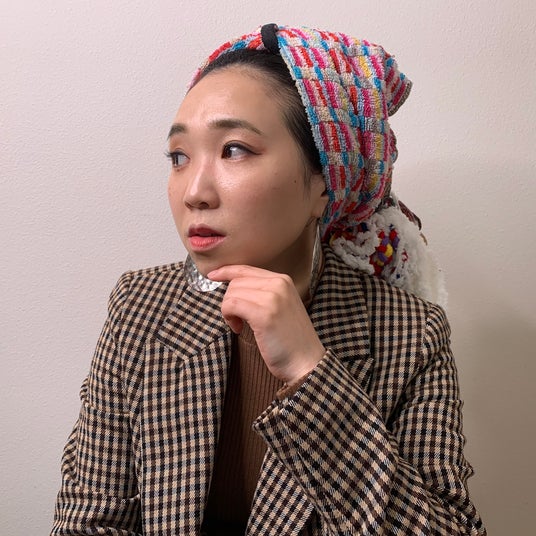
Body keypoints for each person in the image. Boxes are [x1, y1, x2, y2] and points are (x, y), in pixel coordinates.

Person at [52, 24, 486, 535]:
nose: (194, 192)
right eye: (179, 157)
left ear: (325, 180)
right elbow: (89, 520)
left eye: (234, 149)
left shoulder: (410, 333)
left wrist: (309, 372)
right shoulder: (141, 307)